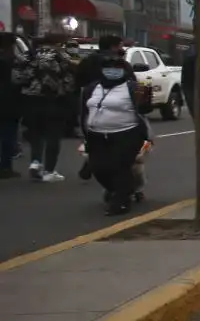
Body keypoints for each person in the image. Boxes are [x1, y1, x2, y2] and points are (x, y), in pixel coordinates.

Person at [79, 43, 151, 215]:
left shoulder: (132, 87)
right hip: (97, 135)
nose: (113, 72)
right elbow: (84, 111)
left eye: (118, 68)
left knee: (120, 167)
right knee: (99, 168)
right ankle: (119, 190)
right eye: (108, 68)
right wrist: (85, 132)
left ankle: (120, 202)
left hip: (126, 134)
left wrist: (144, 97)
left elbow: (144, 109)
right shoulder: (92, 89)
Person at [13, 30, 78, 181]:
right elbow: (70, 78)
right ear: (59, 42)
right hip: (54, 100)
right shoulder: (61, 56)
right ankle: (49, 171)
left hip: (31, 99)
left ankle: (36, 162)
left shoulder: (30, 54)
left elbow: (17, 76)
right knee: (53, 135)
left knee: (35, 133)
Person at [0, 29, 20, 178]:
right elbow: (18, 81)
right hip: (9, 102)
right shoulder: (12, 60)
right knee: (8, 135)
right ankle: (5, 167)